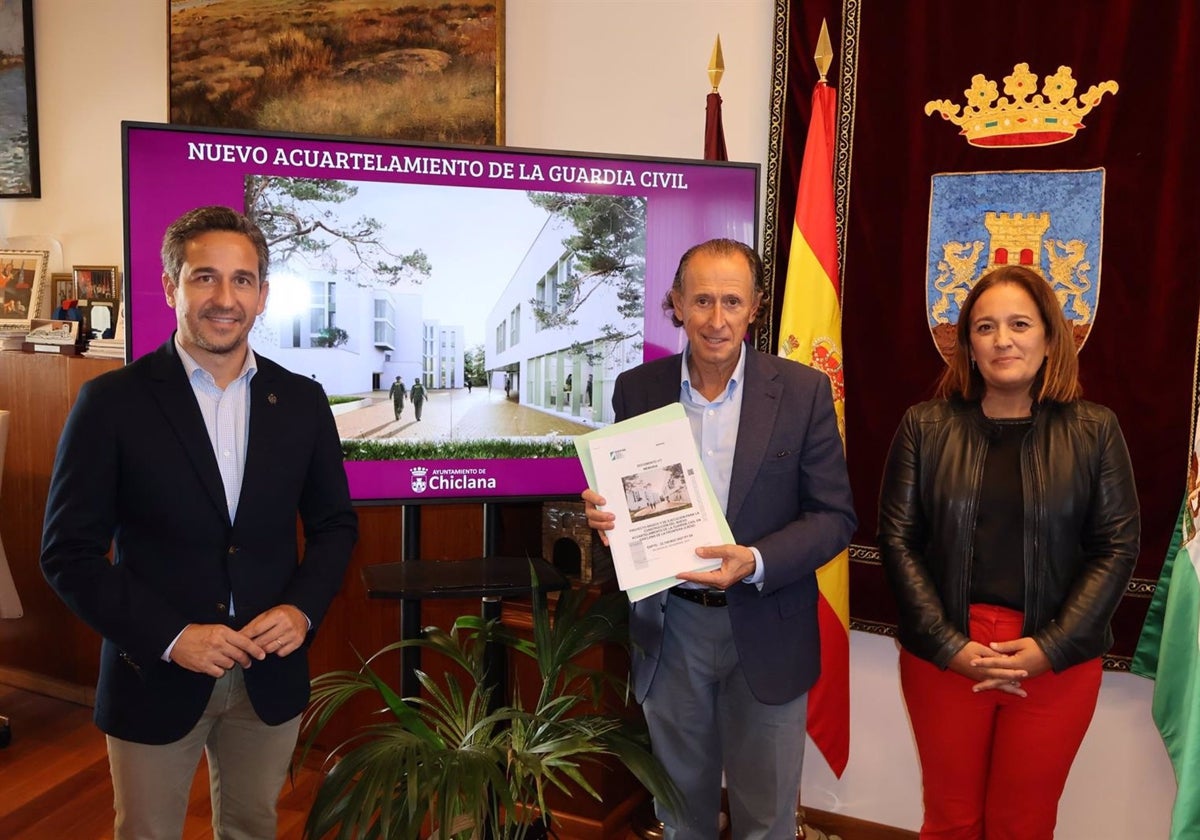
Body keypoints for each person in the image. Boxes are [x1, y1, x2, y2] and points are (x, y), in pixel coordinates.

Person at [40, 205, 359, 840]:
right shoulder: (111, 403)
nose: (224, 298)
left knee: (252, 827)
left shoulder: (300, 401)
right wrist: (170, 635)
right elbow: (68, 554)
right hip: (154, 672)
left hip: (269, 671)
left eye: (242, 280)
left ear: (263, 294)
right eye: (203, 277)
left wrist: (301, 611)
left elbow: (334, 526)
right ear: (169, 287)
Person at [583, 238, 856, 839]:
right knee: (681, 818)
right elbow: (626, 496)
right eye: (701, 300)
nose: (716, 319)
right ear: (675, 304)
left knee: (768, 820)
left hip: (768, 626)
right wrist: (606, 516)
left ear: (756, 307)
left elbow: (835, 517)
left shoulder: (803, 392)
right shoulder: (637, 389)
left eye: (732, 301)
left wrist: (755, 561)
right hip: (671, 628)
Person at [877, 264, 1139, 840]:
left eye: (1019, 324)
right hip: (947, 653)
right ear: (967, 344)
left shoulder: (1096, 430)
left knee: (1023, 824)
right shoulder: (924, 426)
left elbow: (1116, 547)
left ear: (1050, 338)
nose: (1002, 340)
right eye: (984, 327)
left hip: (1054, 658)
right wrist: (950, 646)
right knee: (950, 819)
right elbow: (898, 541)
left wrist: (1051, 647)